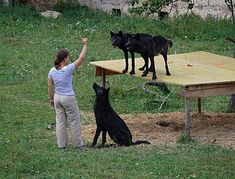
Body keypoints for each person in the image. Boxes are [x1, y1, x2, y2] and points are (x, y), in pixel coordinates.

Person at [48, 37, 88, 150]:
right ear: (64, 59)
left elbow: (50, 86)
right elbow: (81, 58)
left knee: (60, 121)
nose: (69, 60)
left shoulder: (51, 71)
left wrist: (51, 99)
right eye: (68, 58)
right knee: (74, 120)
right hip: (68, 98)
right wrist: (85, 45)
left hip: (57, 98)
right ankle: (78, 144)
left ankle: (61, 145)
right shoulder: (68, 69)